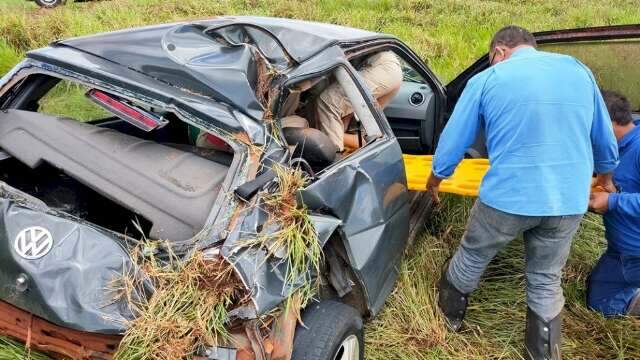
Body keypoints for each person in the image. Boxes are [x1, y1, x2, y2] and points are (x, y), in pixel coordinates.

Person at [427, 25, 619, 360]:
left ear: (499, 52)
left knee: (473, 256)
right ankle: (543, 354)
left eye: (491, 59)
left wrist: (435, 181)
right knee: (546, 279)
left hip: (508, 198)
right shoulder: (578, 70)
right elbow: (604, 139)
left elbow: (452, 142)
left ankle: (448, 323)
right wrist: (604, 178)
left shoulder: (487, 80)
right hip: (567, 201)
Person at [587, 90, 640, 317]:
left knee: (606, 309)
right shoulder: (613, 150)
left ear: (607, 123)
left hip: (635, 254)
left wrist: (612, 201)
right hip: (621, 251)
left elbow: (614, 197)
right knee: (598, 300)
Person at [310, 50, 402, 151]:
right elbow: (367, 140)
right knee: (331, 102)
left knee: (328, 102)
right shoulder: (359, 121)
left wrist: (323, 134)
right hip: (383, 66)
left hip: (379, 65)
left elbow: (366, 141)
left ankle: (335, 160)